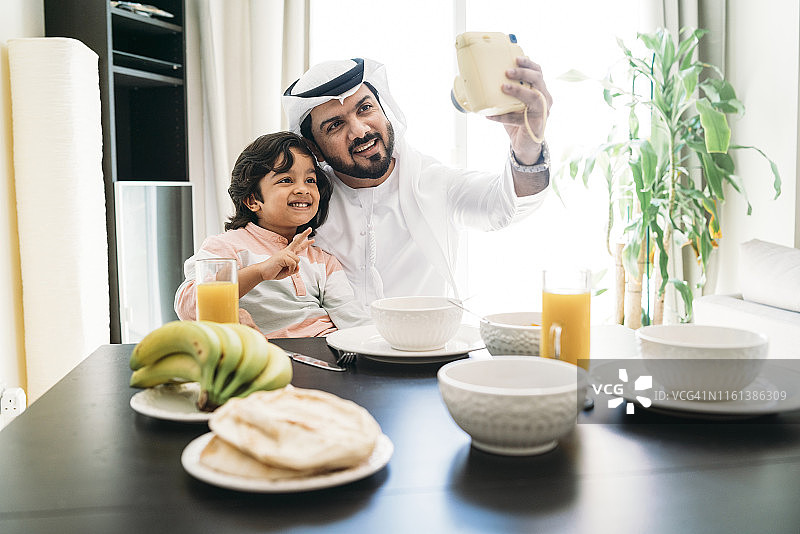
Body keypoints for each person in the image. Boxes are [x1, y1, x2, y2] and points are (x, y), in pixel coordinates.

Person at [281, 57, 552, 307]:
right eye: (335, 125)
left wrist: (527, 148)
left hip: (425, 354)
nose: (360, 131)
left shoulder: (434, 182)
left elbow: (507, 206)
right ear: (314, 149)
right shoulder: (302, 201)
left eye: (365, 108)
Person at [174, 132, 368, 338]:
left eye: (310, 180)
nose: (303, 189)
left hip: (326, 352)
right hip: (265, 358)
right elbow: (188, 304)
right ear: (252, 200)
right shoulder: (225, 247)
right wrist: (260, 272)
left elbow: (352, 319)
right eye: (286, 180)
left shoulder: (323, 260)